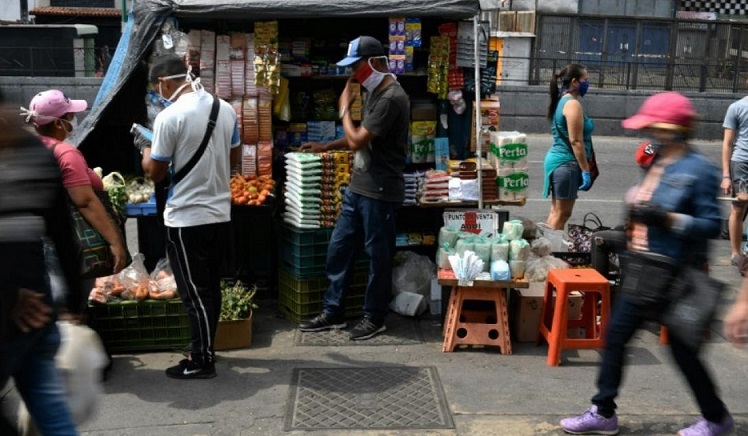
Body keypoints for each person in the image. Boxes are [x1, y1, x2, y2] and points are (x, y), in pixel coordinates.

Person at [560, 92, 732, 436]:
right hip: (642, 269)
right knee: (615, 337)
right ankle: (603, 411)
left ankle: (716, 419)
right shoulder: (658, 159)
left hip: (676, 275)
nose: (648, 134)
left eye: (653, 127)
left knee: (684, 353)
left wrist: (668, 219)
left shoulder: (699, 169)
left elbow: (712, 225)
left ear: (670, 128)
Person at [296, 36, 410, 340]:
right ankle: (333, 311)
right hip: (359, 186)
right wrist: (326, 145)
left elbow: (359, 138)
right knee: (339, 247)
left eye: (357, 68)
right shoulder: (376, 92)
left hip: (381, 191)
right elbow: (361, 136)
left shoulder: (391, 98)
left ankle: (375, 317)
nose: (355, 75)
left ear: (374, 63)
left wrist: (344, 110)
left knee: (378, 255)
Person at [135, 56, 241, 379]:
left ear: (164, 83)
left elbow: (155, 172)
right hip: (220, 213)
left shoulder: (169, 117)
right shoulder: (226, 109)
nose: (158, 93)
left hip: (185, 219)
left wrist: (144, 149)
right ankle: (207, 349)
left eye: (158, 87)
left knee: (194, 293)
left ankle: (201, 360)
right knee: (210, 287)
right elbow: (233, 158)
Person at [1, 88, 82, 435]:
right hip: (35, 302)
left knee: (48, 406)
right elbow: (64, 234)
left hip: (23, 309)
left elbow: (63, 233)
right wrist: (75, 300)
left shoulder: (36, 152)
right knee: (49, 408)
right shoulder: (39, 152)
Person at [21, 89, 128, 293]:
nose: (74, 119)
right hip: (65, 245)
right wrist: (115, 241)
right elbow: (85, 201)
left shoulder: (28, 147)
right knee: (68, 304)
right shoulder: (66, 153)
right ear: (57, 122)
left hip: (33, 242)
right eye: (70, 116)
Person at [543, 63, 594, 230]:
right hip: (566, 163)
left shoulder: (562, 101)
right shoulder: (572, 104)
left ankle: (545, 250)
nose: (588, 83)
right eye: (585, 80)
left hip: (560, 162)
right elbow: (576, 141)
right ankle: (547, 252)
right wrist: (585, 170)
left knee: (556, 212)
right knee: (562, 214)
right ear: (574, 81)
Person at [721, 87, 748, 269]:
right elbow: (728, 143)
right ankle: (735, 253)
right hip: (741, 164)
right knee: (739, 207)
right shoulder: (737, 107)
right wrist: (725, 176)